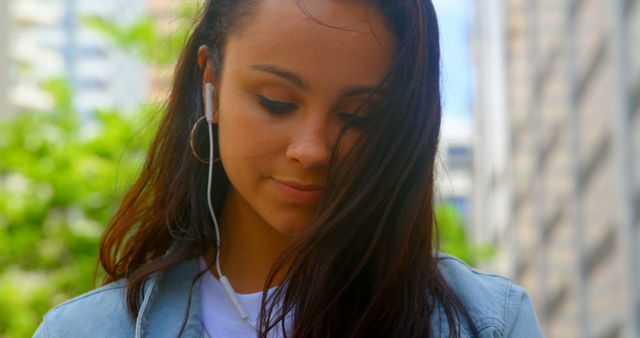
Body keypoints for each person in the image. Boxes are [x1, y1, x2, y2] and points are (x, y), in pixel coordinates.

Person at [34, 0, 543, 337]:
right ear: (210, 80)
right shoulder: (83, 330)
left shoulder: (487, 323)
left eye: (358, 116)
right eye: (276, 102)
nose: (311, 149)